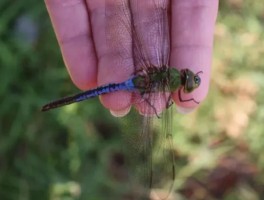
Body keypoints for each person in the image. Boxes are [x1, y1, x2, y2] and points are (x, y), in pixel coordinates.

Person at [44, 0, 219, 116]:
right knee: (154, 106)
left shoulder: (167, 70)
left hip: (142, 79)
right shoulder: (171, 85)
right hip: (140, 82)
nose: (186, 76)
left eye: (186, 78)